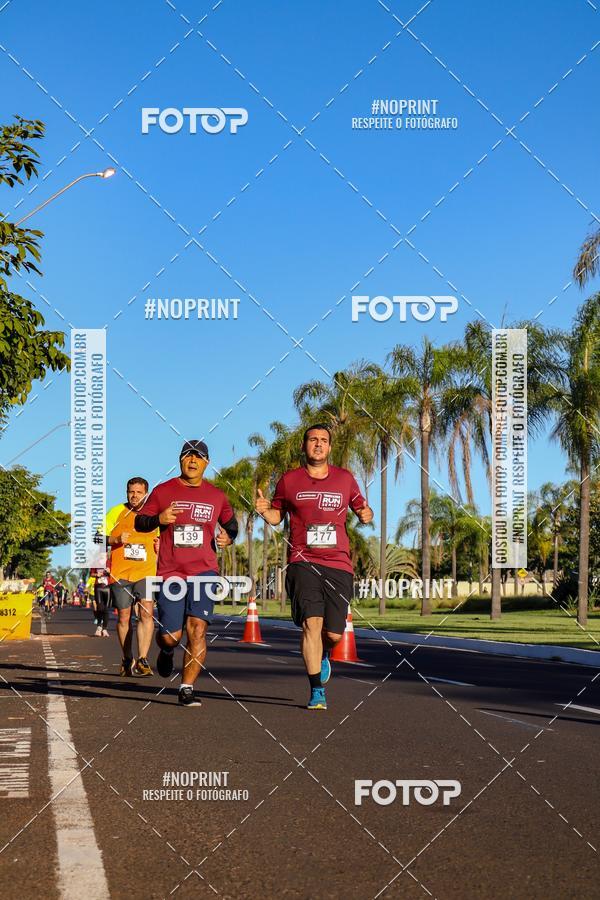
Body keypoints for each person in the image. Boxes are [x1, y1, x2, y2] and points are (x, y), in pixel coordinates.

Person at [256, 424, 373, 710]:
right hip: (303, 561)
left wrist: (366, 514)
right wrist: (264, 511)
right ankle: (316, 690)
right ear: (304, 446)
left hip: (338, 563)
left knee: (333, 634)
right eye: (312, 440)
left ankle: (323, 653)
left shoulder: (345, 479)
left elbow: (360, 507)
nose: (318, 444)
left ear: (330, 447)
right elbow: (276, 516)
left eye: (323, 440)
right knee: (311, 624)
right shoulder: (289, 481)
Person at [135, 440, 238, 707]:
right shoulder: (163, 491)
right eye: (188, 456)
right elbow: (140, 521)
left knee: (198, 629)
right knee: (171, 636)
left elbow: (231, 525)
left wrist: (229, 537)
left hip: (204, 571)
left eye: (198, 457)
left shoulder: (216, 496)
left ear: (206, 463)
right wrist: (158, 519)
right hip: (171, 573)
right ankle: (167, 650)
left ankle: (186, 687)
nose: (193, 461)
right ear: (180, 460)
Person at [103, 478, 159, 676]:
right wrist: (115, 539)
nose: (134, 495)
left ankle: (143, 660)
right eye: (131, 492)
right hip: (121, 574)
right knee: (124, 616)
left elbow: (165, 538)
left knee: (146, 613)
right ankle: (127, 658)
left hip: (147, 572)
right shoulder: (116, 512)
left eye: (138, 492)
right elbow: (95, 538)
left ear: (146, 494)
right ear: (127, 492)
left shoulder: (154, 514)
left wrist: (160, 545)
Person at [90, 568, 111, 636]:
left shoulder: (109, 562)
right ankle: (99, 628)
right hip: (98, 587)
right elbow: (91, 574)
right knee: (99, 608)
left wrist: (109, 572)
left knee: (106, 609)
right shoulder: (95, 563)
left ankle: (104, 629)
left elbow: (113, 574)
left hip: (108, 587)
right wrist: (96, 574)